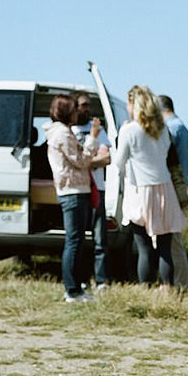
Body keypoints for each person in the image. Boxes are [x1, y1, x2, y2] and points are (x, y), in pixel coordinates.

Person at [113, 85, 187, 290]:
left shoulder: (129, 130)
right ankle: (167, 290)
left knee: (144, 247)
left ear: (133, 104)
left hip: (140, 191)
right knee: (165, 248)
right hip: (165, 190)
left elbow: (118, 163)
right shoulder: (163, 130)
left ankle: (146, 288)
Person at [47, 94, 108, 303]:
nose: (77, 113)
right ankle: (72, 290)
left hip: (71, 190)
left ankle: (75, 289)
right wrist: (92, 138)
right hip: (73, 191)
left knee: (76, 240)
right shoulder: (63, 134)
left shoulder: (57, 132)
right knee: (74, 241)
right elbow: (81, 161)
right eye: (74, 109)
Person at [73, 93, 113, 288]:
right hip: (78, 189)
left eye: (88, 105)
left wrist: (82, 162)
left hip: (97, 188)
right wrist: (89, 161)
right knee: (78, 238)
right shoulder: (68, 131)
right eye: (82, 105)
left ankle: (101, 279)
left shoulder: (97, 129)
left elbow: (106, 158)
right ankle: (80, 279)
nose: (86, 109)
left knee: (99, 238)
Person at [159, 94, 188, 289]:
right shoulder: (182, 127)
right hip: (178, 188)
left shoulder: (172, 128)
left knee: (174, 242)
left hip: (172, 189)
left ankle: (180, 283)